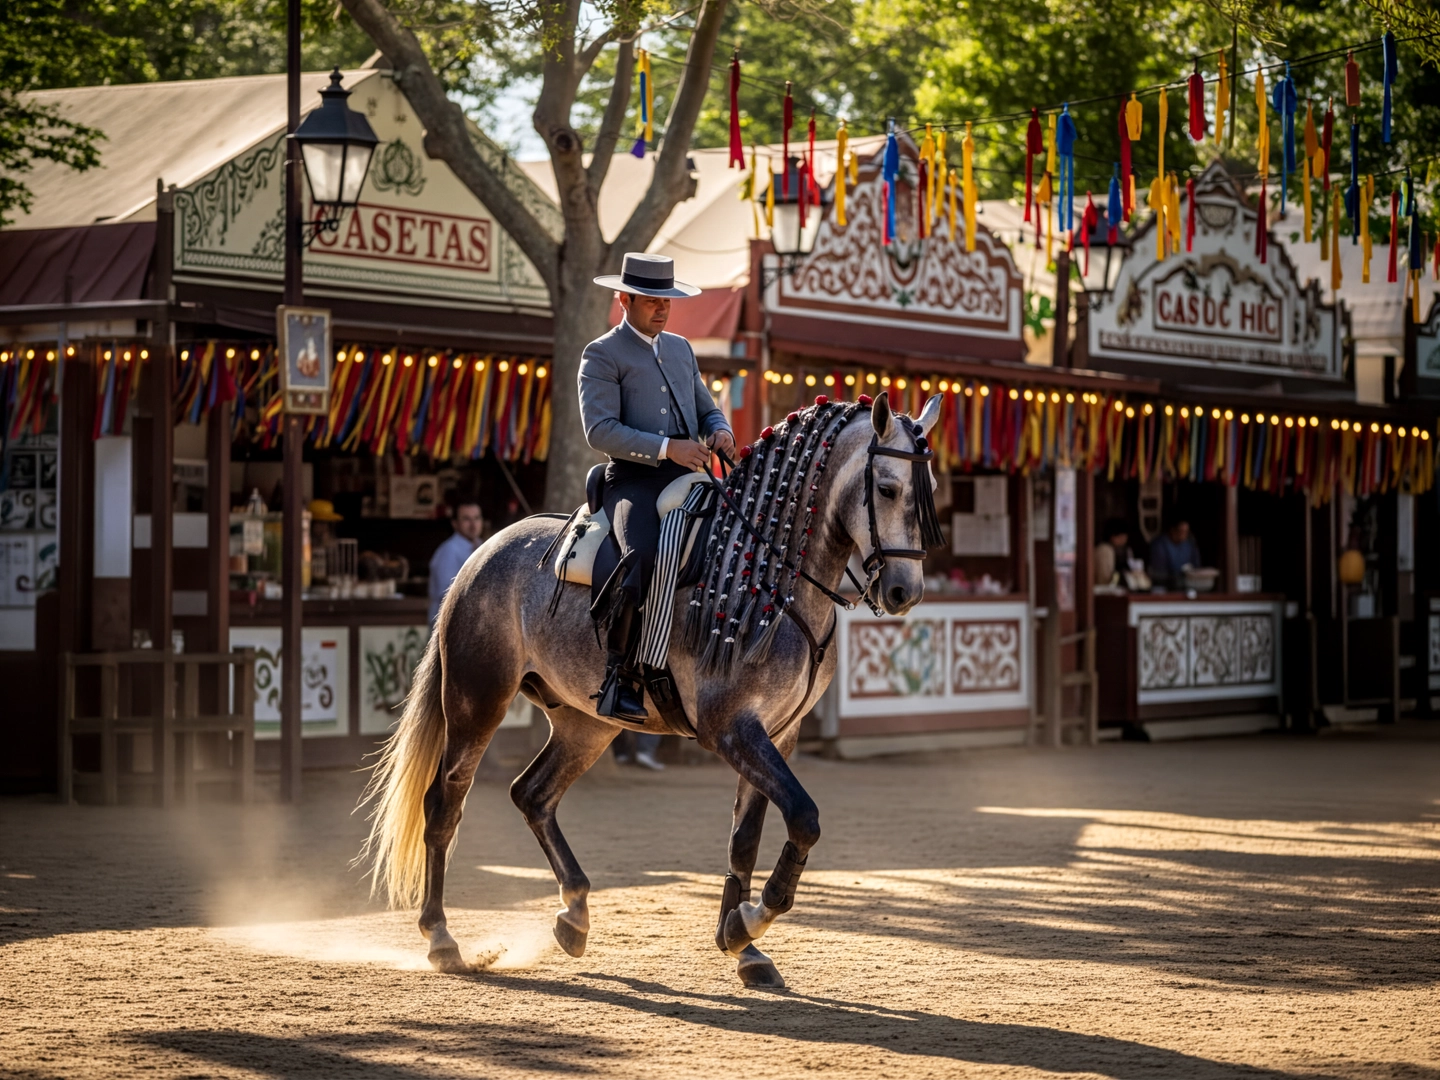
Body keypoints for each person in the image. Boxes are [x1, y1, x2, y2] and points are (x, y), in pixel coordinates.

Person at [580, 252, 736, 720]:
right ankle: (618, 677)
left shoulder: (682, 348)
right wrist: (669, 448)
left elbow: (707, 408)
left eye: (666, 299)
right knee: (641, 558)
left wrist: (720, 428)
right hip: (632, 480)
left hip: (690, 474)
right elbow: (599, 431)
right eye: (651, 300)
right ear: (623, 299)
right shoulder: (601, 353)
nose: (662, 308)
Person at [428, 497, 483, 625]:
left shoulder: (484, 546)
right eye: (466, 519)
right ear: (455, 524)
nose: (473, 525)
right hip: (450, 626)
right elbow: (447, 595)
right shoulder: (448, 551)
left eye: (477, 518)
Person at [1149, 518, 1202, 591]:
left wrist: (1190, 571)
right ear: (1173, 530)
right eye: (1181, 532)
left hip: (1186, 584)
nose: (1184, 535)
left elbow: (1196, 566)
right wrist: (1177, 574)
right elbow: (1159, 571)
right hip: (1164, 584)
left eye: (1186, 532)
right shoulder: (1160, 544)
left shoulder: (1190, 544)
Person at [1094, 518, 1131, 588]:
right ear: (1113, 537)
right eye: (1121, 536)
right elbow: (1104, 579)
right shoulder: (1105, 550)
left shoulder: (1117, 550)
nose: (1124, 539)